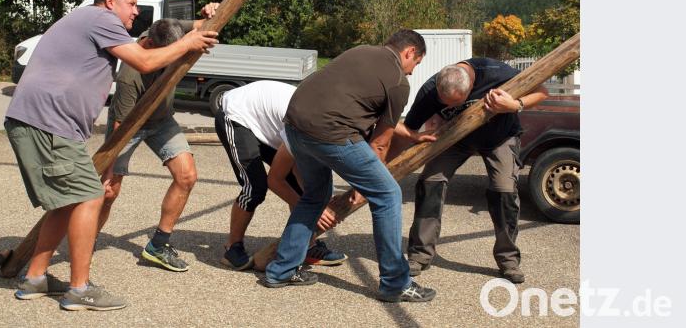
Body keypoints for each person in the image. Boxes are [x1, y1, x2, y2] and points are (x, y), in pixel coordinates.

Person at [3, 0, 218, 311]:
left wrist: (205, 19)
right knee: (90, 196)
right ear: (109, 1)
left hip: (45, 122)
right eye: (131, 4)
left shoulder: (87, 19)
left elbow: (177, 28)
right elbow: (146, 61)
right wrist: (188, 43)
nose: (135, 12)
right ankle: (79, 289)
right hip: (47, 123)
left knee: (64, 202)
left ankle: (35, 278)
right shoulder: (100, 19)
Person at [264, 29, 438, 303]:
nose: (412, 72)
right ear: (410, 53)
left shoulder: (359, 51)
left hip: (295, 128)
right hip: (330, 133)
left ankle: (281, 270)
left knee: (314, 196)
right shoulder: (397, 82)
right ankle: (395, 283)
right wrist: (366, 185)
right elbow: (380, 144)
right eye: (416, 64)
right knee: (388, 195)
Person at [391, 58, 549, 284]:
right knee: (429, 182)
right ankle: (419, 255)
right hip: (455, 139)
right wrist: (385, 166)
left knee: (504, 190)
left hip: (500, 137)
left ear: (471, 87)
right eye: (447, 104)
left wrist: (515, 105)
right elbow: (408, 130)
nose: (451, 107)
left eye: (458, 103)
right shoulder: (429, 91)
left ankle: (508, 261)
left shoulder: (496, 72)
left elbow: (542, 91)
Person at [99, 16, 217, 272]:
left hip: (161, 120)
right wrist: (110, 166)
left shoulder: (168, 29)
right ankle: (85, 240)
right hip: (129, 125)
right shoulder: (130, 75)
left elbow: (202, 25)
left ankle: (157, 246)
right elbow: (121, 128)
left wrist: (210, 12)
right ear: (150, 44)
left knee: (187, 176)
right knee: (108, 191)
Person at [214, 80, 346, 271]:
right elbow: (275, 181)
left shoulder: (326, 122)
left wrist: (313, 206)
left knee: (301, 187)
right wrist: (313, 212)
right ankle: (232, 247)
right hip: (237, 116)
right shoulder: (306, 122)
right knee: (255, 187)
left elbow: (299, 173)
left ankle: (307, 245)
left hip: (268, 125)